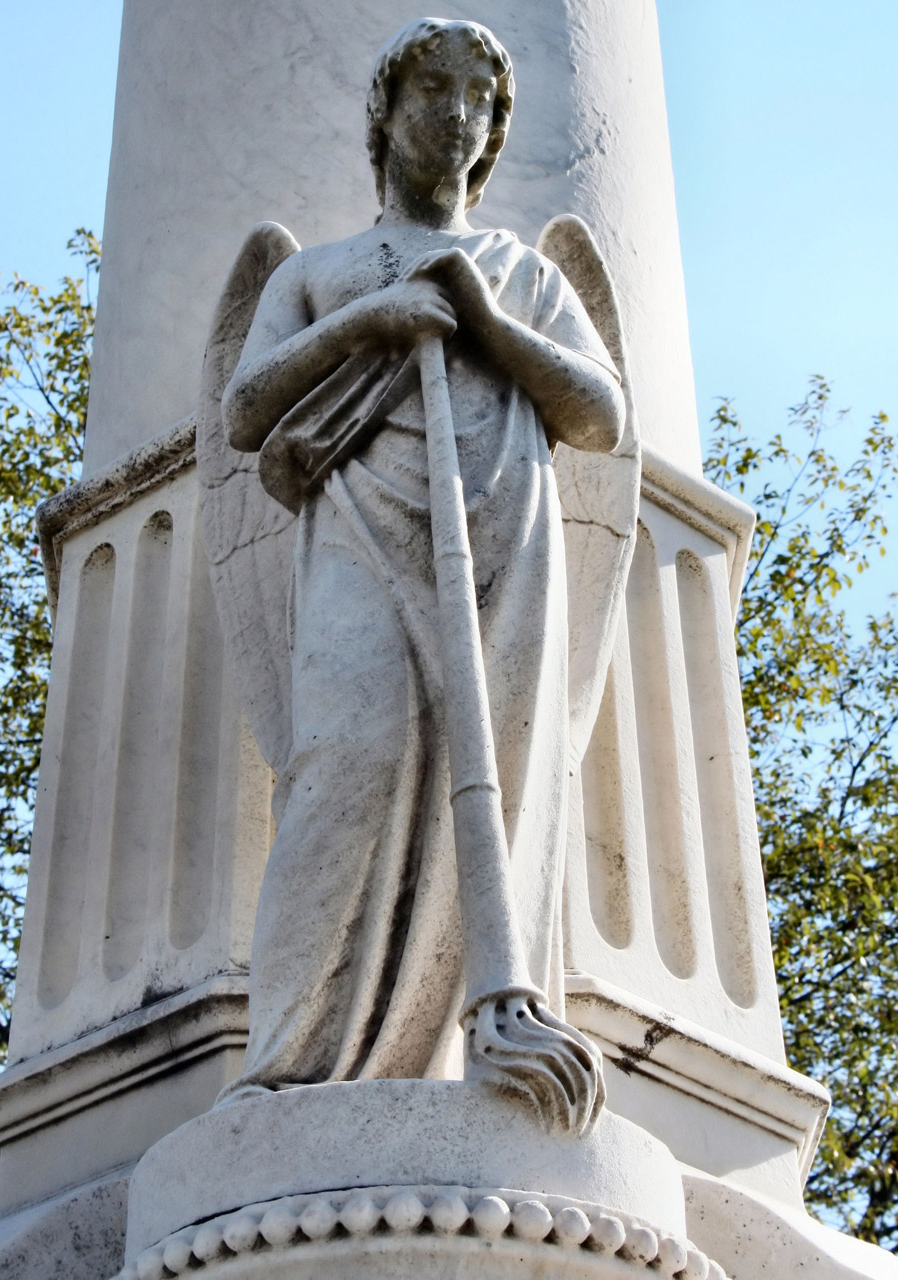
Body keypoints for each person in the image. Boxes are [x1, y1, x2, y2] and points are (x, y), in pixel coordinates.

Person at [220, 17, 625, 1096]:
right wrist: (369, 324)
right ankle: (298, 1062)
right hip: (361, 528)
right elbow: (246, 409)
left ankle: (482, 1021)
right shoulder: (319, 273)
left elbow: (599, 415)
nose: (455, 114)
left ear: (493, 132)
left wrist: (487, 322)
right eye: (431, 91)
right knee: (344, 758)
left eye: (476, 100)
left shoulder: (520, 275)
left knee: (493, 773)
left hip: (502, 533)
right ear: (384, 114)